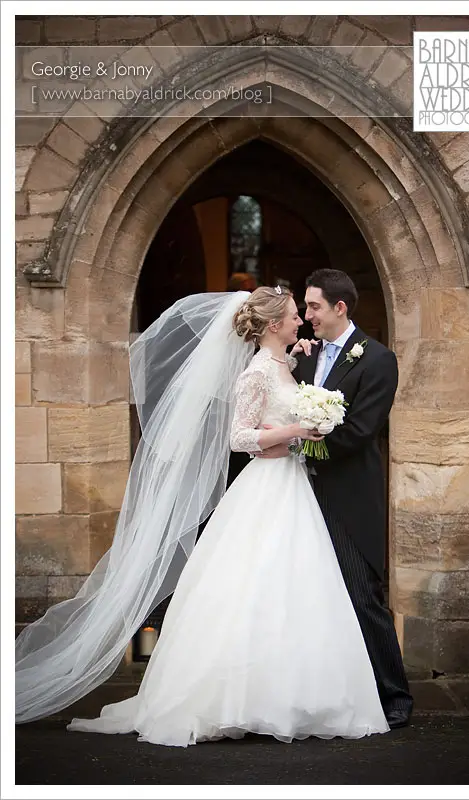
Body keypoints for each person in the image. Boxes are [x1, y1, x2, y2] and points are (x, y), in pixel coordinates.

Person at [16, 286, 389, 746]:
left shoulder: (285, 364)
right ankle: (235, 699)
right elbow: (238, 437)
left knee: (297, 585)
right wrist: (295, 429)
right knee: (253, 585)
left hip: (294, 486)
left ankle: (290, 695)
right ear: (274, 324)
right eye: (294, 316)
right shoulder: (255, 372)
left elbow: (281, 411)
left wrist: (296, 404)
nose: (301, 322)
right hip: (266, 487)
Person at [257, 270, 413, 729]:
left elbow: (361, 431)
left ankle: (394, 695)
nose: (307, 316)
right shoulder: (302, 357)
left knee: (362, 594)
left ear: (339, 307)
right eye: (305, 308)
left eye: (314, 307)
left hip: (348, 497)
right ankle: (324, 695)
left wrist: (296, 445)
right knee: (305, 596)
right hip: (297, 495)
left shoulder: (378, 360)